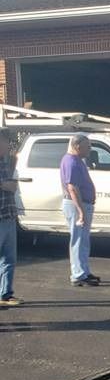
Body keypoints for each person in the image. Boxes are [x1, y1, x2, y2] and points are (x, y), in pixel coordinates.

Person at [60, 134, 100, 287]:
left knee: (83, 241)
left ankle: (84, 271)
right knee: (77, 240)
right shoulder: (71, 162)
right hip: (76, 205)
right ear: (77, 146)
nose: (90, 149)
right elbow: (72, 188)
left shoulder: (77, 161)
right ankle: (78, 275)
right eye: (87, 146)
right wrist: (81, 212)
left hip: (82, 204)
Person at [0, 128, 22, 307]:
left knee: (9, 258)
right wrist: (3, 184)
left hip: (8, 215)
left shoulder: (7, 162)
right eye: (6, 142)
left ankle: (5, 294)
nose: (9, 145)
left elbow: (13, 186)